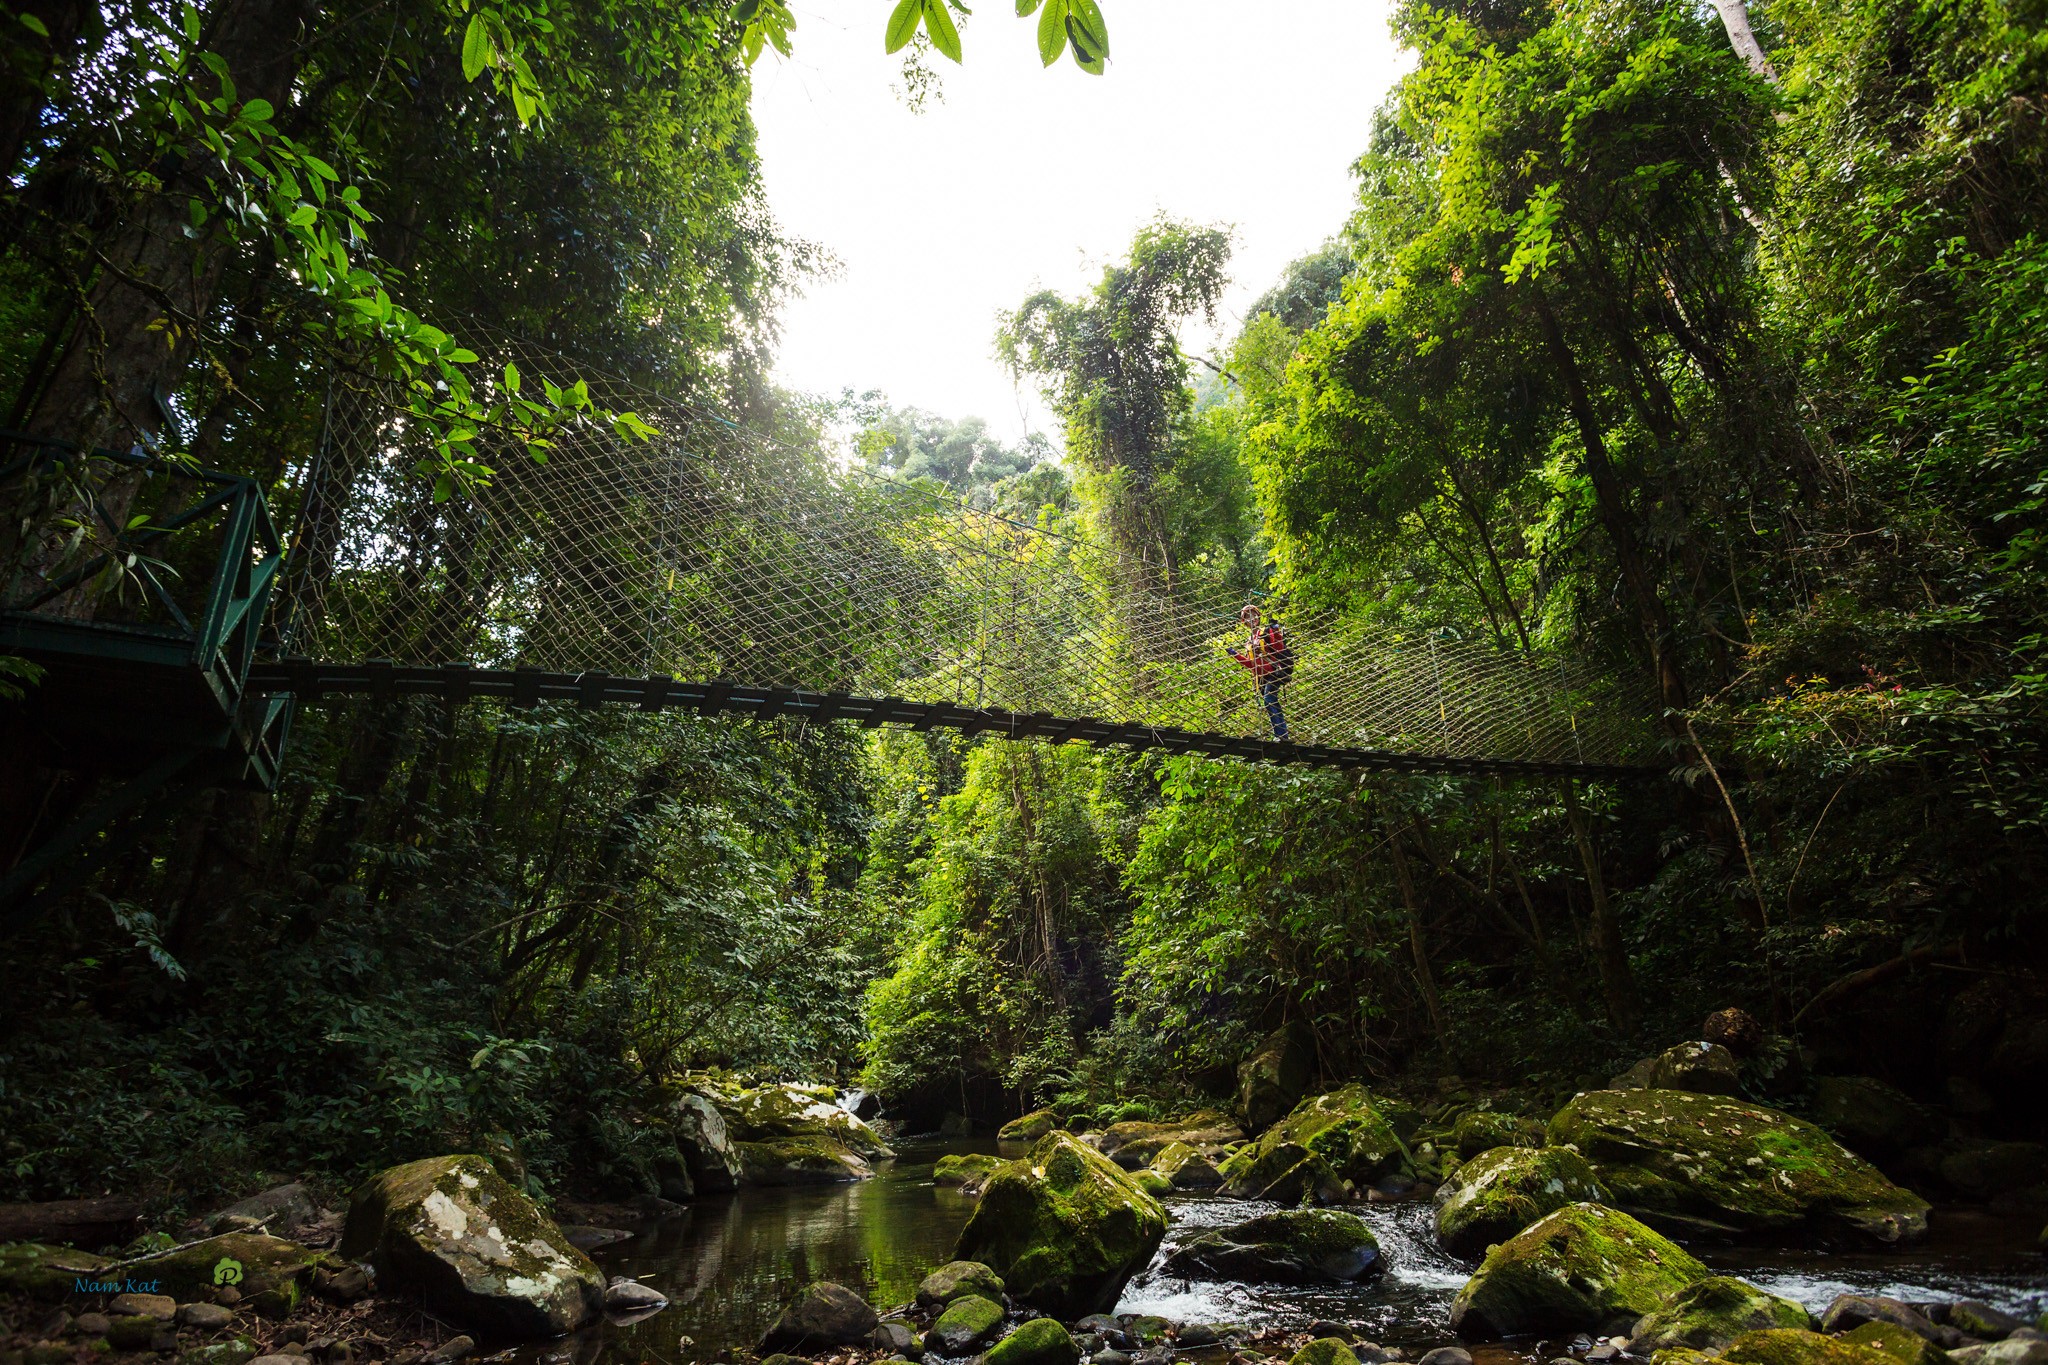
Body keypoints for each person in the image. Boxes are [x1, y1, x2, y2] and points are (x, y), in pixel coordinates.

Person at [1227, 603, 1290, 741]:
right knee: (1270, 701)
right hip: (1262, 677)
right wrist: (1235, 655)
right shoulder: (1249, 642)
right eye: (1248, 617)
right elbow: (1251, 665)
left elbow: (1279, 648)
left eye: (1253, 615)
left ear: (1258, 617)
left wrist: (1277, 632)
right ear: (1244, 622)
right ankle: (1282, 733)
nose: (1252, 618)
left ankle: (1281, 735)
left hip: (1274, 672)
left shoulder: (1265, 632)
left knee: (1269, 699)